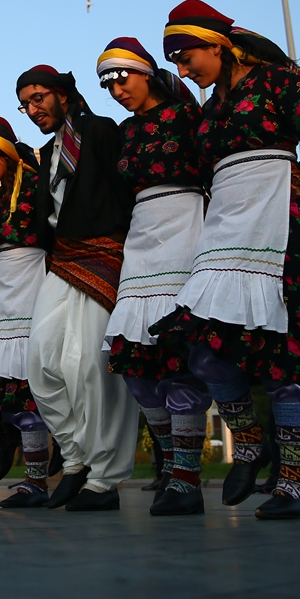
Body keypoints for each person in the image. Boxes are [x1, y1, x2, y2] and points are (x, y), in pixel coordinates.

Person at [151, 0, 300, 520]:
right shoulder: (211, 108)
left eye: (186, 55)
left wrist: (297, 187)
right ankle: (251, 444)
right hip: (225, 231)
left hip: (282, 227)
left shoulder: (280, 82)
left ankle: (297, 486)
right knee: (205, 346)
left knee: (286, 356)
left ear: (216, 44)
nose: (182, 69)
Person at [94, 37, 214, 517]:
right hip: (140, 238)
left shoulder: (190, 118)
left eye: (122, 77)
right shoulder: (125, 132)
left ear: (146, 72)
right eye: (108, 83)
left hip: (186, 226)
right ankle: (169, 464)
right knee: (136, 365)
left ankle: (187, 478)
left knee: (177, 357)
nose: (117, 89)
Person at [15, 63, 138, 512]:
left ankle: (103, 478)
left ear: (63, 95)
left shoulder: (102, 130)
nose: (33, 109)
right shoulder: (47, 154)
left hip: (104, 253)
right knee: (41, 362)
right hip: (63, 259)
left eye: (39, 98)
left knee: (89, 366)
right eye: (26, 103)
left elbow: (126, 189)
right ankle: (76, 457)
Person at [0, 116, 54, 508]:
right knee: (9, 397)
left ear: (4, 151)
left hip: (34, 288)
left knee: (36, 394)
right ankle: (29, 480)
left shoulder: (36, 185)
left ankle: (39, 482)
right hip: (2, 297)